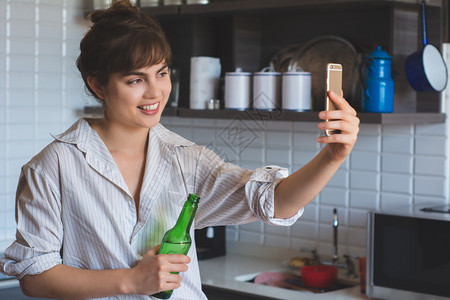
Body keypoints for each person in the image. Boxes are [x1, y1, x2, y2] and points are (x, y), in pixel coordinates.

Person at [0, 1, 359, 299]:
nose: (155, 92)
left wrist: (332, 157)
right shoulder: (54, 166)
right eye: (136, 80)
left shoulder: (186, 159)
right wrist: (130, 281)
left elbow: (272, 201)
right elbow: (35, 275)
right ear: (98, 85)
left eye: (162, 73)